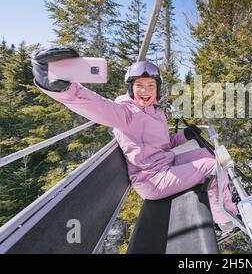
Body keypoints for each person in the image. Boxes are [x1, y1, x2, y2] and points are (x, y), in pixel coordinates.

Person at [31, 47, 238, 230]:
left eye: (151, 85)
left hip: (165, 164)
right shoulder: (125, 113)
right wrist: (62, 88)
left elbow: (164, 145)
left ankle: (222, 197)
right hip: (151, 179)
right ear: (131, 88)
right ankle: (226, 220)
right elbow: (94, 104)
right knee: (214, 167)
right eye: (139, 85)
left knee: (206, 153)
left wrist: (184, 135)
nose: (145, 91)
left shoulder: (154, 111)